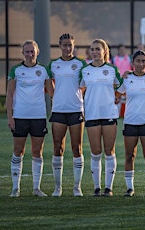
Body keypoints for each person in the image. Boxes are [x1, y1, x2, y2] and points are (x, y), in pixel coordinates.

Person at [6, 40, 54, 197]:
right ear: (23, 53)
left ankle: (36, 188)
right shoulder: (16, 70)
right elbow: (9, 95)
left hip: (38, 116)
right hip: (20, 116)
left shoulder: (44, 70)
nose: (29, 54)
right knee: (18, 151)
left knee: (37, 152)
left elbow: (52, 92)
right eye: (27, 51)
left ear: (37, 52)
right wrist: (10, 117)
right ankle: (15, 188)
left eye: (32, 51)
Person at [117, 50, 145, 197]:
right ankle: (130, 188)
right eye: (138, 61)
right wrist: (120, 77)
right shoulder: (127, 78)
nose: (141, 64)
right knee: (130, 156)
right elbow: (117, 94)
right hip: (130, 121)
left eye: (143, 61)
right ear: (133, 62)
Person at [80, 39, 122, 196]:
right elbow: (80, 88)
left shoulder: (112, 69)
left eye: (98, 49)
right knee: (95, 151)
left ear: (105, 51)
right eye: (92, 49)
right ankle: (96, 188)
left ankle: (108, 188)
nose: (95, 52)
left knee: (109, 151)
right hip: (92, 114)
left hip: (109, 114)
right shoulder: (85, 70)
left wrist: (115, 97)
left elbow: (121, 87)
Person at [49, 33, 87, 197]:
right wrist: (54, 95)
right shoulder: (53, 64)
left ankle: (77, 187)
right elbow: (48, 81)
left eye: (70, 45)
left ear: (74, 46)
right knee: (58, 146)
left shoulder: (81, 64)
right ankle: (58, 187)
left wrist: (77, 95)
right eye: (64, 45)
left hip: (76, 110)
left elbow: (85, 84)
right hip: (58, 111)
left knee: (76, 148)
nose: (67, 48)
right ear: (60, 45)